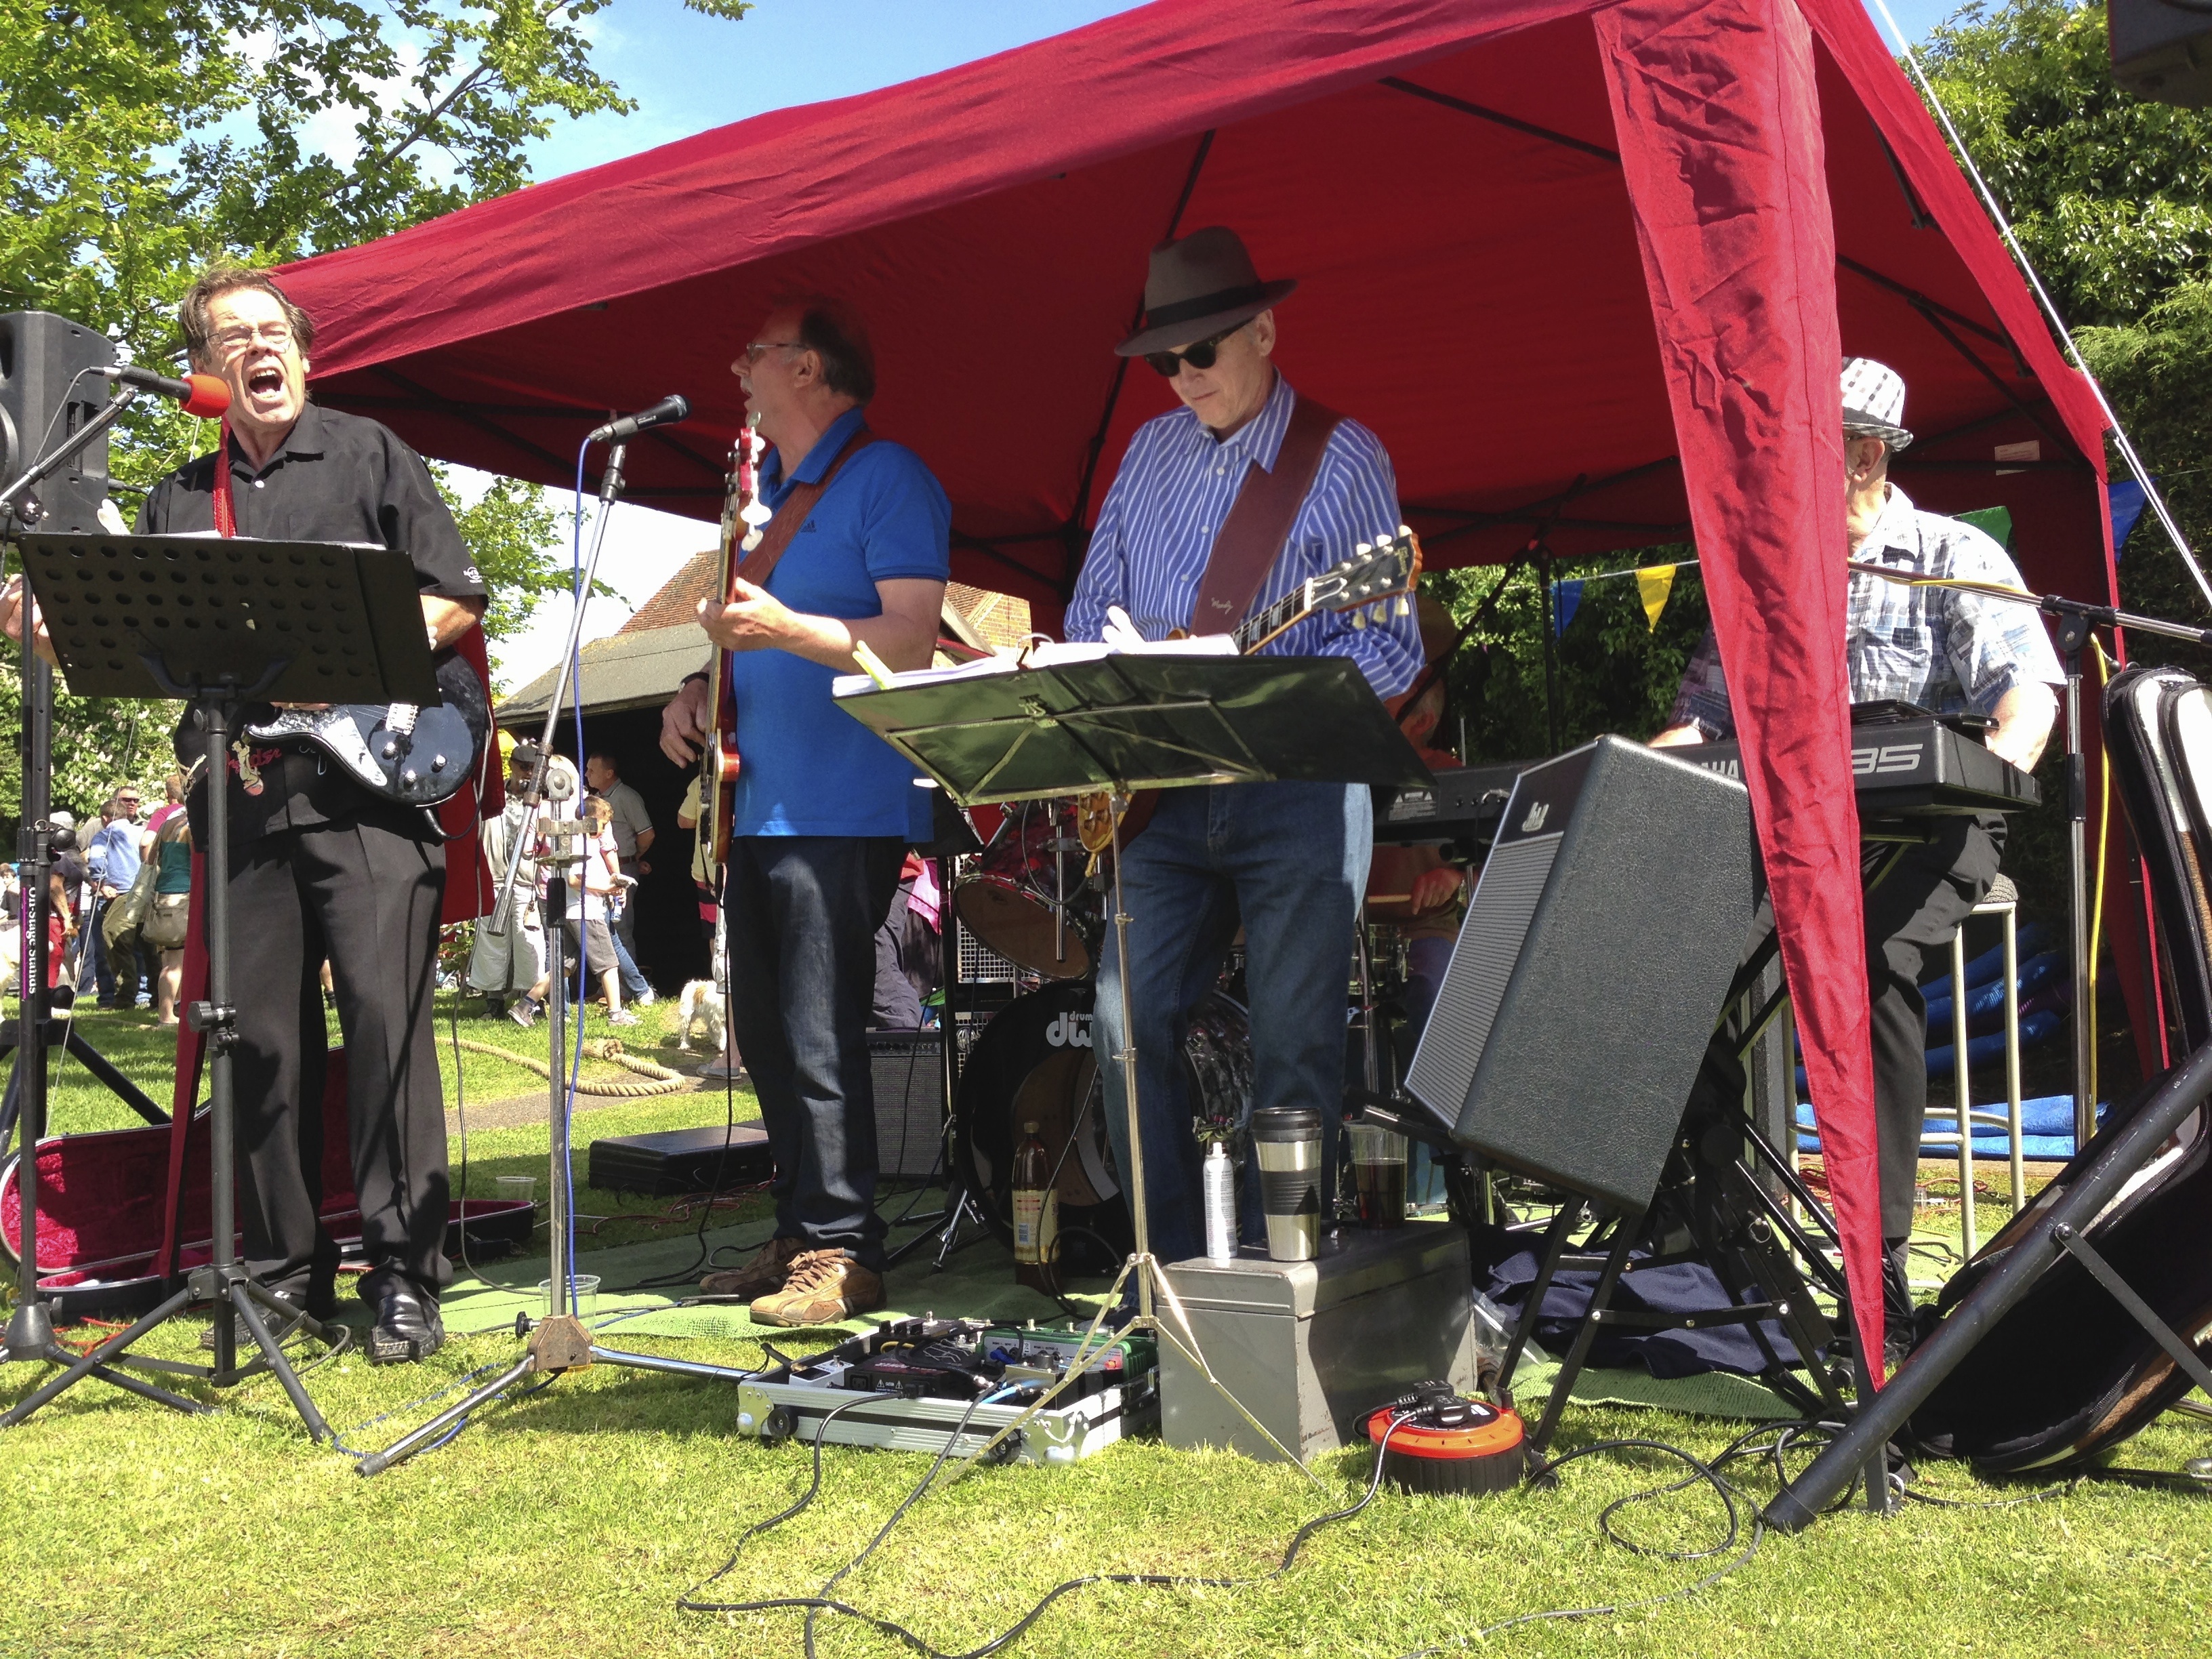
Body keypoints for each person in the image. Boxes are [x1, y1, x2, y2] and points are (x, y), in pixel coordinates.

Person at [4, 263, 491, 1364]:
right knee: (259, 1042)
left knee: (385, 1027)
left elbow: (455, 597)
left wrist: (351, 661)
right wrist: (50, 625)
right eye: (234, 337)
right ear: (203, 372)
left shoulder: (368, 454)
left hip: (370, 789)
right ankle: (280, 1273)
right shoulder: (179, 499)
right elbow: (136, 646)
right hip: (244, 798)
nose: (260, 347)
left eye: (275, 331)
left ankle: (403, 1276)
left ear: (303, 357)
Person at [1650, 356, 2063, 1363]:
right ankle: (1716, 1225)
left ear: (1865, 457)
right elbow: (1700, 724)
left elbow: (2027, 699)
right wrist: (1621, 783)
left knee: (1867, 966)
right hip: (1791, 829)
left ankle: (1878, 1274)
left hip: (1936, 824)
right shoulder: (1761, 572)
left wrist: (1986, 769)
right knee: (1668, 950)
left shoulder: (1952, 554)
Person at [1063, 226, 1422, 1267]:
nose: (1182, 377)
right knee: (1122, 1025)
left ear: (1264, 331)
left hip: (1294, 790)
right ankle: (1172, 1280)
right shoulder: (1144, 455)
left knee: (1297, 1046)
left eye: (1201, 352)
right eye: (1163, 362)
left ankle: (1291, 1275)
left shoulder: (1344, 458)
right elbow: (1086, 614)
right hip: (1160, 793)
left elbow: (1391, 649)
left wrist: (1270, 694)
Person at [659, 294, 949, 1326]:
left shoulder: (888, 475)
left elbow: (912, 639)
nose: (739, 369)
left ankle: (843, 1249)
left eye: (756, 352)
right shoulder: (765, 495)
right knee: (773, 1040)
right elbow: (752, 641)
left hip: (843, 803)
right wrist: (698, 691)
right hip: (760, 807)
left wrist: (783, 627)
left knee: (821, 1034)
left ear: (810, 369)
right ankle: (800, 1235)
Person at [511, 793, 634, 1028]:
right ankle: (616, 1015)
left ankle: (525, 1005)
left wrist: (614, 883)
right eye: (603, 824)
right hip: (585, 912)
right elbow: (575, 879)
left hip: (572, 911)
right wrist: (607, 889)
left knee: (563, 967)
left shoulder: (587, 842)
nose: (605, 830)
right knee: (608, 964)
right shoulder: (581, 842)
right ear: (591, 821)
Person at [468, 745, 550, 1018]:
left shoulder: (542, 801)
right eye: (524, 767)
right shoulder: (492, 797)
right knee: (491, 940)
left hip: (527, 880)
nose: (528, 773)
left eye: (533, 769)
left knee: (529, 940)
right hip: (494, 877)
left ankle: (531, 1000)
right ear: (512, 765)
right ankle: (493, 1001)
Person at [584, 750, 656, 1006]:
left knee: (620, 929)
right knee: (602, 930)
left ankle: (627, 991)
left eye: (592, 770)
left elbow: (647, 834)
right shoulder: (597, 799)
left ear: (609, 773)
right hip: (602, 872)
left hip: (622, 870)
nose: (586, 774)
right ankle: (607, 988)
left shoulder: (626, 797)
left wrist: (634, 857)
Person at [87, 790, 147, 1008]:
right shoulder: (142, 832)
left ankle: (124, 996)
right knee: (147, 947)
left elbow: (96, 860)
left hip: (121, 896)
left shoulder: (104, 836)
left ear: (105, 818)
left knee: (116, 942)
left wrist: (102, 882)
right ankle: (154, 997)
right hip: (146, 894)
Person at [148, 809, 194, 1026]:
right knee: (176, 962)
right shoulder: (191, 826)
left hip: (163, 893)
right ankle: (167, 1016)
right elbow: (200, 862)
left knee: (170, 958)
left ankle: (172, 1010)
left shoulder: (169, 823)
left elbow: (150, 856)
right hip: (184, 895)